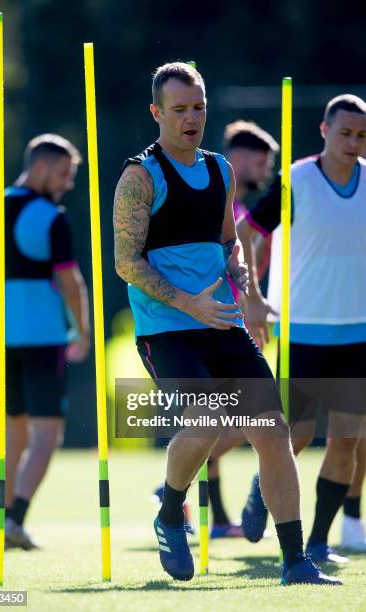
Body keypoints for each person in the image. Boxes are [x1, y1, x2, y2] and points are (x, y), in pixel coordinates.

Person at [113, 61, 339, 585]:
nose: (191, 118)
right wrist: (188, 303)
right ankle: (172, 510)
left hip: (223, 322)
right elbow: (126, 261)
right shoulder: (139, 177)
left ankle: (295, 561)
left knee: (274, 433)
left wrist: (252, 293)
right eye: (179, 110)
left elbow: (228, 241)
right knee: (207, 420)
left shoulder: (220, 170)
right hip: (166, 330)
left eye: (199, 107)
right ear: (156, 113)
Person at [237, 94, 366, 561]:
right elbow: (248, 233)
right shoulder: (296, 180)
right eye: (345, 132)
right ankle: (260, 486)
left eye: (361, 135)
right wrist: (252, 298)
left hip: (356, 333)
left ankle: (317, 543)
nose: (352, 143)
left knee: (347, 440)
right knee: (296, 436)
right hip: (303, 331)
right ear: (324, 131)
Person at [0, 134, 91, 549]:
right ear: (43, 167)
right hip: (44, 338)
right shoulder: (51, 216)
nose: (68, 183)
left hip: (1, 339)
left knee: (14, 436)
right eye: (65, 174)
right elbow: (71, 284)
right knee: (48, 436)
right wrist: (83, 329)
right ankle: (15, 518)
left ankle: (5, 522)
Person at [208, 121, 279, 539]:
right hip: (220, 327)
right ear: (237, 159)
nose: (266, 171)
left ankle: (214, 518)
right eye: (260, 161)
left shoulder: (240, 210)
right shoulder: (226, 210)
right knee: (239, 419)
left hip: (233, 326)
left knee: (232, 418)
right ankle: (176, 483)